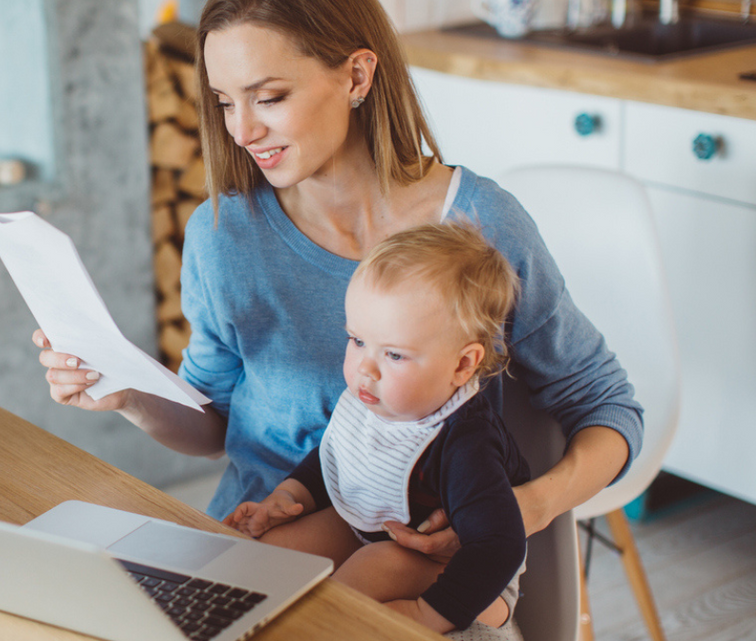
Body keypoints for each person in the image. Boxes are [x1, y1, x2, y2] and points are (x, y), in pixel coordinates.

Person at [34, 0, 641, 595]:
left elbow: (608, 404)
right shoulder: (223, 236)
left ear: (356, 75)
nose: (241, 130)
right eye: (224, 102)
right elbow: (212, 427)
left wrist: (524, 509)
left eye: (268, 97)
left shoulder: (480, 227)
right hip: (254, 543)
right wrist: (128, 395)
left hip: (416, 573)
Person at [224, 223, 528, 638]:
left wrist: (427, 614)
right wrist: (285, 497)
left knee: (372, 569)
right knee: (272, 553)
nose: (366, 367)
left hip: (470, 579)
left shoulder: (464, 440)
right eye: (358, 341)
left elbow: (499, 546)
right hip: (372, 532)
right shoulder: (376, 396)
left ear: (461, 365)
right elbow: (336, 457)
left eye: (395, 354)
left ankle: (314, 628)